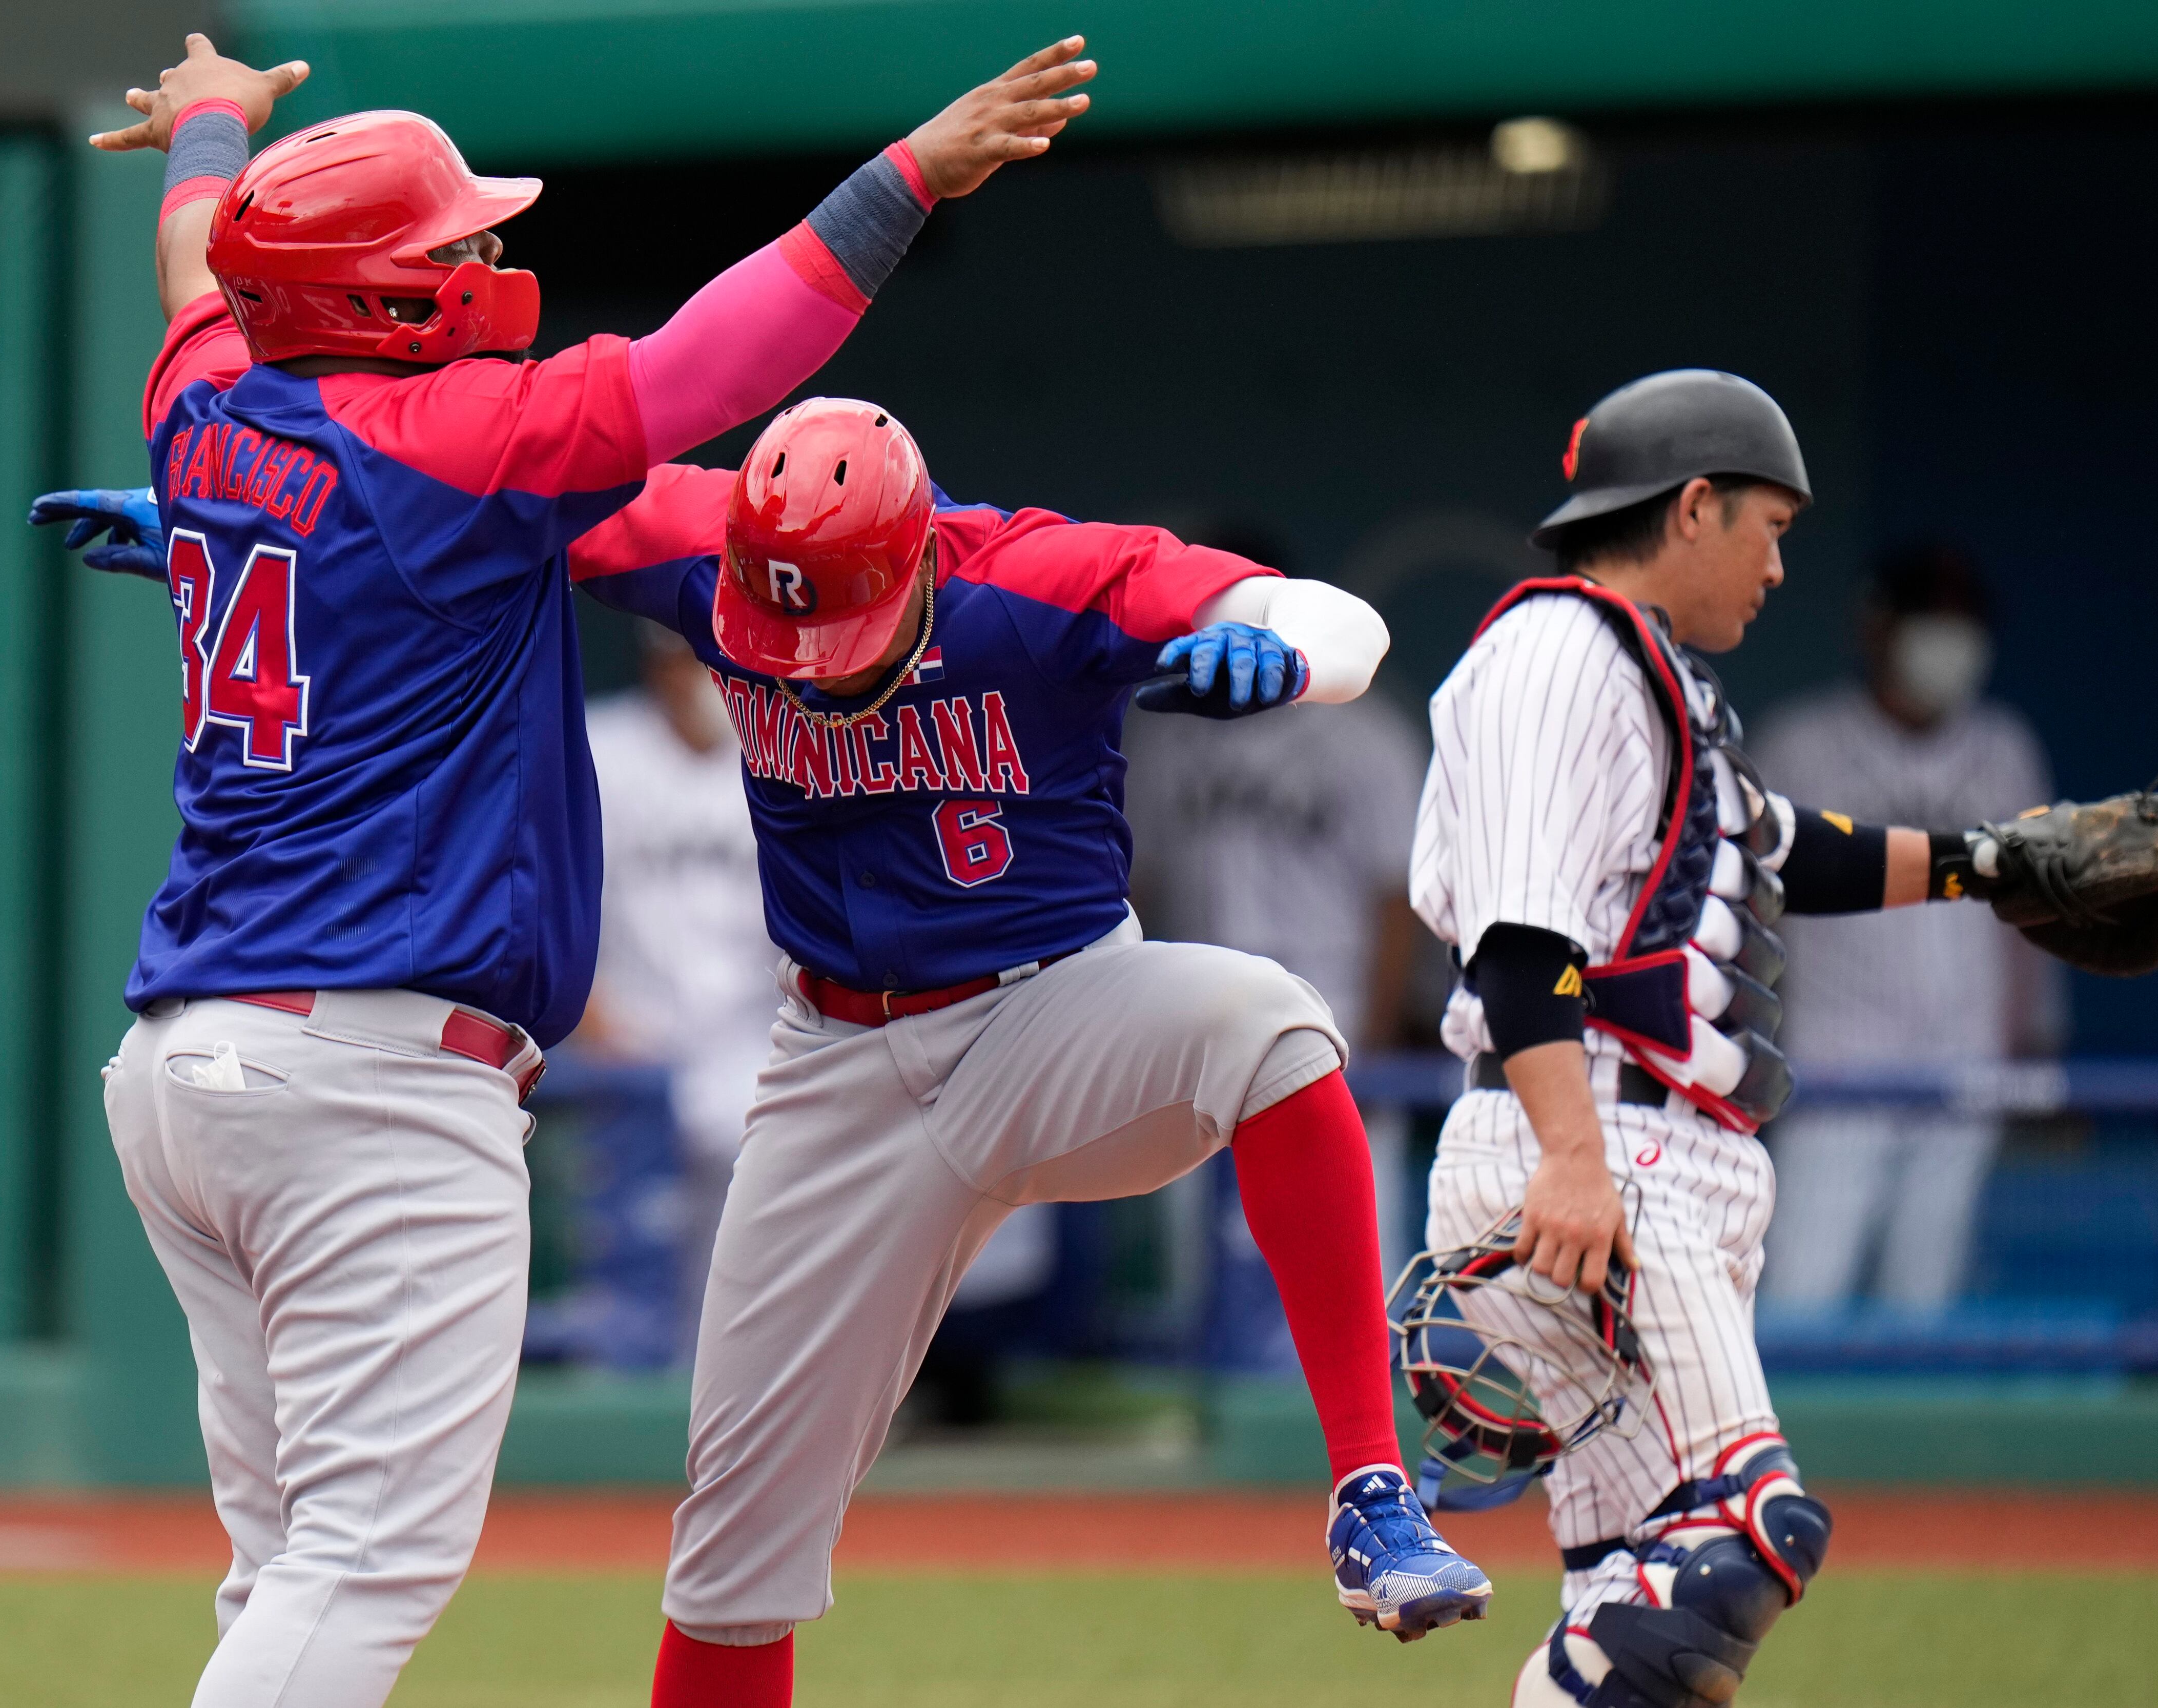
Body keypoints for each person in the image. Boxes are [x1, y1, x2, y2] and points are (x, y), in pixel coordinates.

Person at [34, 33, 1098, 1708]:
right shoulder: (466, 438)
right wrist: (909, 178)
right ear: (376, 299)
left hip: (190, 1062)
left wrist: (214, 118)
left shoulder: (199, 396)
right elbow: (716, 357)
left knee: (289, 1564)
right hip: (366, 1077)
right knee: (363, 1562)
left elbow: (192, 253)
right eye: (454, 250)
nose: (490, 263)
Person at [567, 398, 1491, 1708]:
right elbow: (469, 487)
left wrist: (1269, 649)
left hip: (1050, 1011)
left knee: (1268, 1025)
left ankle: (1370, 1491)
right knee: (733, 1548)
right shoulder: (706, 548)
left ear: (917, 555)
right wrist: (235, 527)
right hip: (830, 1062)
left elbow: (1342, 622)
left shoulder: (1038, 577)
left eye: (840, 614)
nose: (814, 657)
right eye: (787, 621)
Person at [1409, 369, 2117, 1708]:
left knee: (1644, 1603)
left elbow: (1788, 846)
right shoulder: (1558, 653)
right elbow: (1519, 939)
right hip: (1595, 1148)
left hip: (1643, 1154)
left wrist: (1996, 861)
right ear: (1692, 506)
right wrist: (1571, 1155)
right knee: (1742, 1542)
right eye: (1770, 525)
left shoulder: (1651, 680)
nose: (1783, 563)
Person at [1122, 529, 1434, 1304]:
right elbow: (1134, 882)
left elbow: (1397, 900)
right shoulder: (1162, 729)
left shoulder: (1366, 733)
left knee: (1344, 1248)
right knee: (1195, 1258)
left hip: (1332, 1008)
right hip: (1190, 1005)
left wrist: (1381, 1035)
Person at [1753, 545, 2063, 1311]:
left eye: (1962, 622)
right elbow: (1745, 906)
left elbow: (2035, 908)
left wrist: (2038, 1042)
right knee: (1803, 1287)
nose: (1948, 640)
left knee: (1928, 1295)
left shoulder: (2007, 747)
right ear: (1877, 628)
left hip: (1966, 1055)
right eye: (1931, 619)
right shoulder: (1799, 742)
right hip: (1836, 1056)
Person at [580, 627, 779, 1338]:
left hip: (752, 1046)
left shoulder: (779, 752)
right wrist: (588, 1017)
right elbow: (550, 900)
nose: (694, 674)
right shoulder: (601, 748)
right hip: (629, 1045)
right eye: (681, 658)